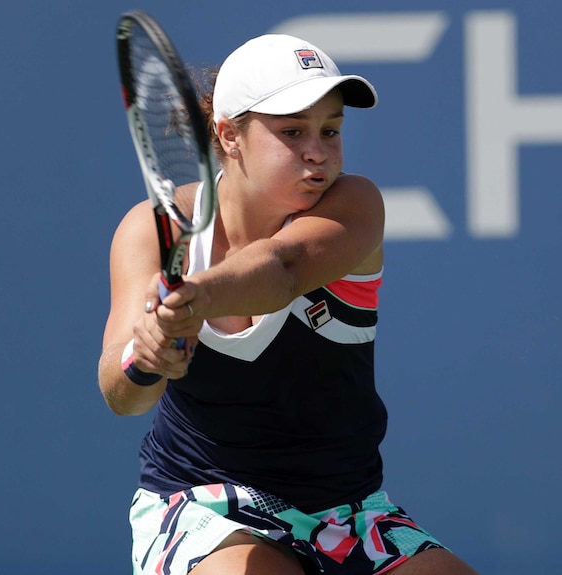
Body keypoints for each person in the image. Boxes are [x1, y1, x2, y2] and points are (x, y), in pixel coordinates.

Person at [98, 32, 480, 575]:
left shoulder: (356, 205)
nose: (318, 152)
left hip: (350, 510)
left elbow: (284, 267)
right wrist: (146, 355)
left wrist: (196, 296)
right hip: (205, 503)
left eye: (331, 130)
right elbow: (123, 397)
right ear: (230, 136)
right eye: (292, 132)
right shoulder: (149, 231)